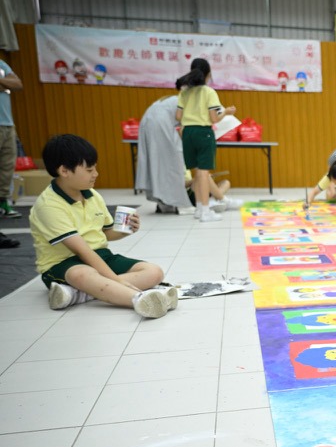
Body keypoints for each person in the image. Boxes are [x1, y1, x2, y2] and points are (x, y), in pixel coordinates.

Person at [29, 135, 177, 318]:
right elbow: (83, 252)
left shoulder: (92, 195)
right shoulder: (49, 205)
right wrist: (116, 280)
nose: (96, 174)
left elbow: (106, 233)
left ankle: (79, 293)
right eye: (89, 169)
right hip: (64, 264)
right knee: (82, 276)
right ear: (64, 171)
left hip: (101, 256)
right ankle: (140, 299)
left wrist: (125, 230)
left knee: (154, 272)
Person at [175, 58, 237, 223]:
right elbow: (214, 118)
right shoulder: (209, 92)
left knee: (197, 172)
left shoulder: (184, 92)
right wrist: (227, 112)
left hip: (187, 133)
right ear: (208, 74)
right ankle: (205, 211)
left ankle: (198, 209)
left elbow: (178, 116)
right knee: (203, 173)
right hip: (203, 132)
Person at [135, 96, 192, 212]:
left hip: (147, 121)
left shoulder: (171, 100)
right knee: (172, 164)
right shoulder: (189, 102)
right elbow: (183, 128)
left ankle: (163, 202)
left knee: (156, 164)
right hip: (160, 123)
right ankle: (179, 204)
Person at [0, 57, 23, 219]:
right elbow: (10, 84)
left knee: (7, 166)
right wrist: (5, 83)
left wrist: (4, 83)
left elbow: (17, 84)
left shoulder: (1, 64)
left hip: (8, 123)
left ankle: (3, 203)